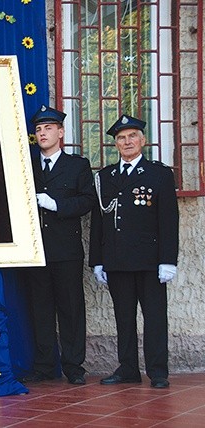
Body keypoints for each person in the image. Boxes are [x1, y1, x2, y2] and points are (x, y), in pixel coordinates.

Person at [89, 114, 179, 389]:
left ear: (142, 140)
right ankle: (128, 368)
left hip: (150, 260)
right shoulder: (105, 177)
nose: (126, 142)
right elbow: (98, 222)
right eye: (121, 138)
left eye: (131, 136)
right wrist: (98, 261)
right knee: (123, 318)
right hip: (116, 260)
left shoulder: (159, 174)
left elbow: (168, 220)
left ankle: (158, 371)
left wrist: (168, 260)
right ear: (115, 144)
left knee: (154, 317)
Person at [20, 105, 95, 385]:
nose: (42, 133)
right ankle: (44, 365)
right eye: (38, 129)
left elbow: (87, 201)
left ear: (61, 132)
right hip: (35, 250)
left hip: (66, 250)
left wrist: (58, 205)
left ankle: (74, 366)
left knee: (71, 308)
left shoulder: (77, 165)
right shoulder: (25, 163)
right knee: (40, 309)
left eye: (48, 128)